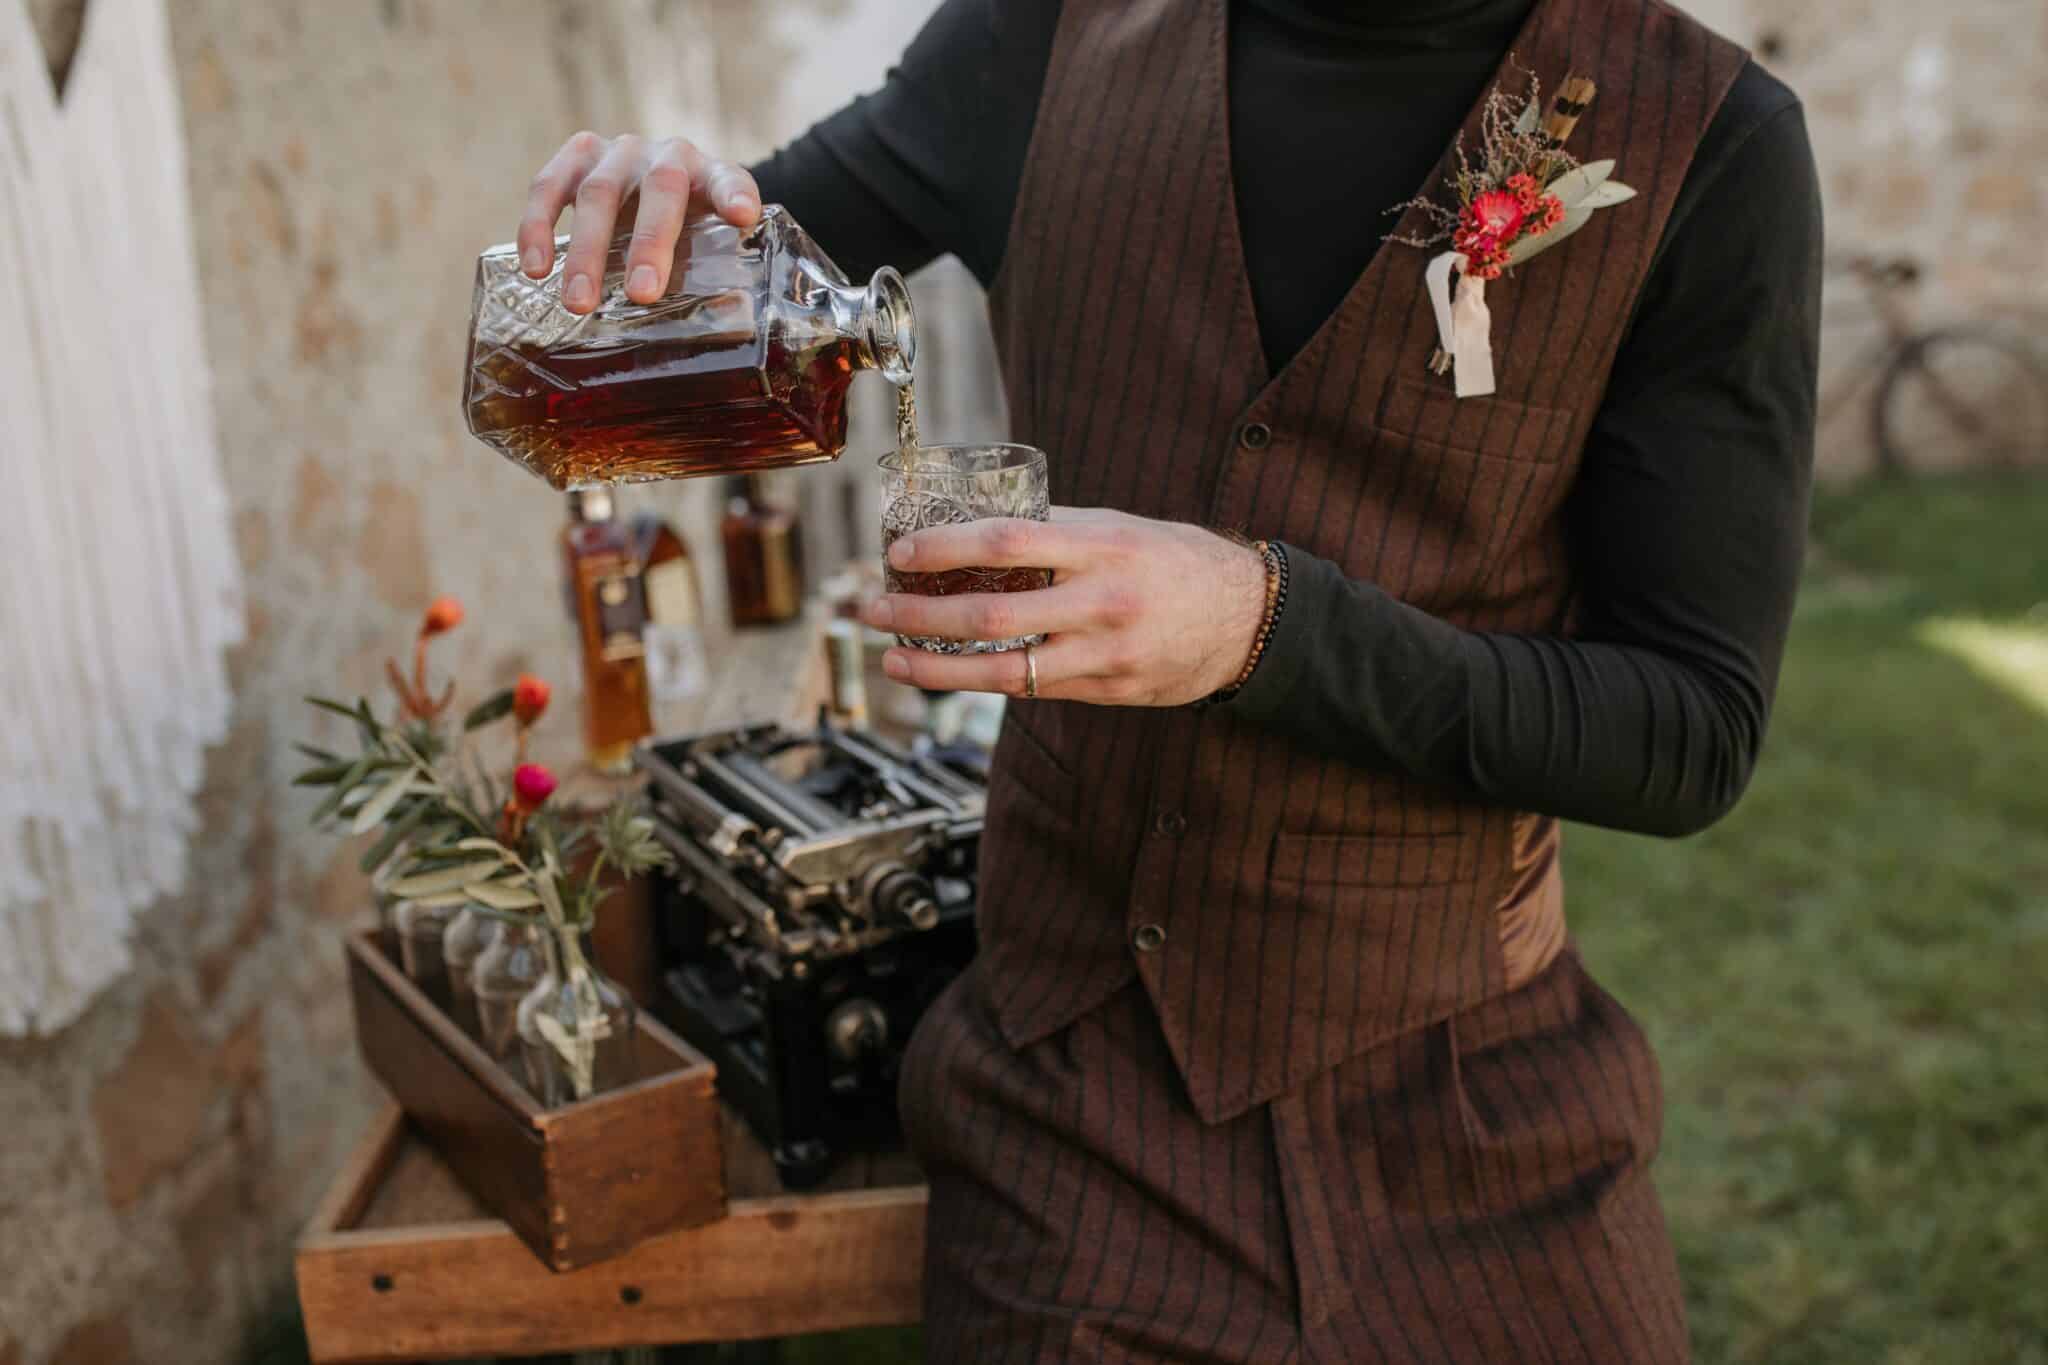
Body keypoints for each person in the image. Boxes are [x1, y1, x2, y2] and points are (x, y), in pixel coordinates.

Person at [516, 0, 1820, 1358]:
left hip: (1476, 1098)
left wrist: (1266, 626)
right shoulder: (1041, 33)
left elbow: (1689, 729)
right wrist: (653, 210)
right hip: (1073, 1103)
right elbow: (732, 277)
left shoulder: (1708, 141)